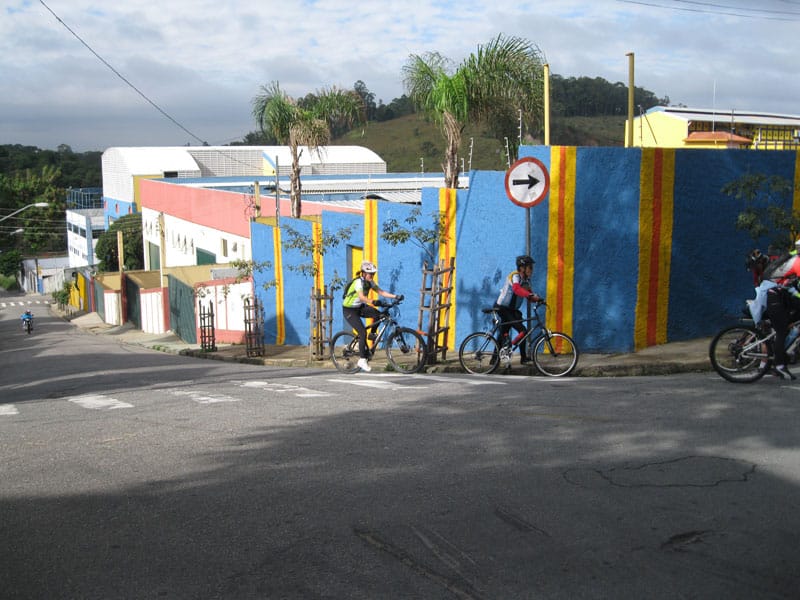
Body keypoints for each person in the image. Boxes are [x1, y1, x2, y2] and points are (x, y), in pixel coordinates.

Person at [342, 260, 403, 372]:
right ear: (364, 273)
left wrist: (396, 296)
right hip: (349, 310)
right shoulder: (358, 283)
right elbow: (362, 297)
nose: (372, 275)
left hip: (360, 307)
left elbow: (381, 292)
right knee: (362, 332)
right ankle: (362, 359)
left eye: (373, 274)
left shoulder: (370, 282)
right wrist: (373, 302)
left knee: (379, 315)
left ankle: (373, 334)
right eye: (370, 274)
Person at [751, 250, 800, 380]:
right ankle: (779, 366)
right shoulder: (797, 262)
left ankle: (785, 350)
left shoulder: (792, 258)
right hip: (774, 296)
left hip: (781, 295)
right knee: (781, 330)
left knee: (790, 322)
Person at [494, 255, 542, 364]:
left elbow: (529, 295)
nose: (532, 270)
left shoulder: (526, 281)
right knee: (522, 330)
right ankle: (517, 353)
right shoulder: (515, 276)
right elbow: (516, 289)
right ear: (522, 268)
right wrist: (530, 295)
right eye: (530, 267)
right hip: (503, 308)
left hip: (512, 310)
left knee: (504, 332)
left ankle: (495, 359)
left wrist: (538, 299)